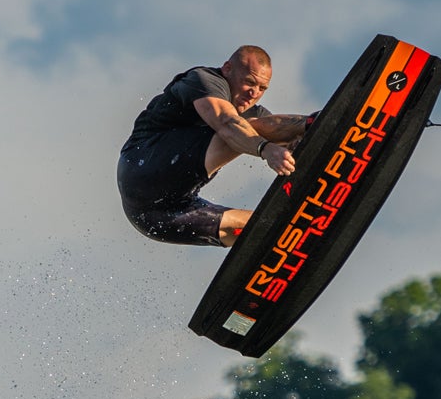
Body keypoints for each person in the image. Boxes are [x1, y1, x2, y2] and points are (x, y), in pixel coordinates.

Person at [118, 45, 312, 248]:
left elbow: (282, 131)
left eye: (262, 88)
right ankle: (315, 123)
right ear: (227, 68)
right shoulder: (204, 81)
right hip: (142, 169)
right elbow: (228, 125)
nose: (253, 93)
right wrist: (266, 148)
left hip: (153, 217)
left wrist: (299, 150)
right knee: (247, 127)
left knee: (267, 229)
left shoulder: (253, 112)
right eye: (248, 82)